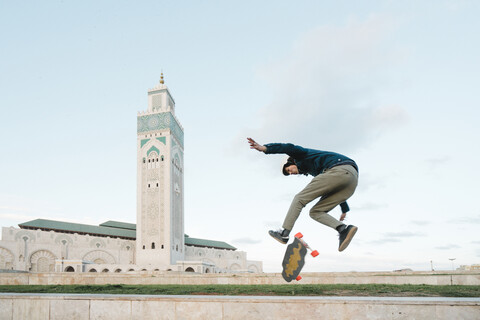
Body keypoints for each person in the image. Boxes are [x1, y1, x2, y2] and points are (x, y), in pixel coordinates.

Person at [247, 137, 359, 252]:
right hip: (351, 180)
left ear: (291, 161)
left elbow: (287, 147)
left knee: (299, 199)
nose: (291, 173)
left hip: (338, 169)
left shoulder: (301, 156)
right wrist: (344, 209)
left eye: (289, 170)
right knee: (315, 212)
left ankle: (284, 233)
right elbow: (335, 185)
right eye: (288, 173)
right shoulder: (316, 170)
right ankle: (343, 229)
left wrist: (265, 148)